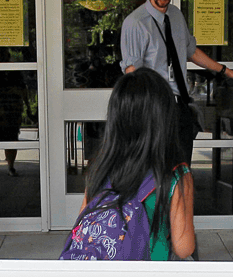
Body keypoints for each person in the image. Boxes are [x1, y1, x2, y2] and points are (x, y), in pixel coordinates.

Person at [120, 0, 233, 164]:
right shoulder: (135, 23)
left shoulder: (176, 15)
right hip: (154, 108)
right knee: (157, 174)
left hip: (180, 107)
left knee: (182, 172)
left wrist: (225, 70)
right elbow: (132, 73)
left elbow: (191, 51)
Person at [67, 68, 196, 261]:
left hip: (104, 275)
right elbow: (183, 248)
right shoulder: (175, 174)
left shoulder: (101, 166)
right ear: (166, 117)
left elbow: (82, 221)